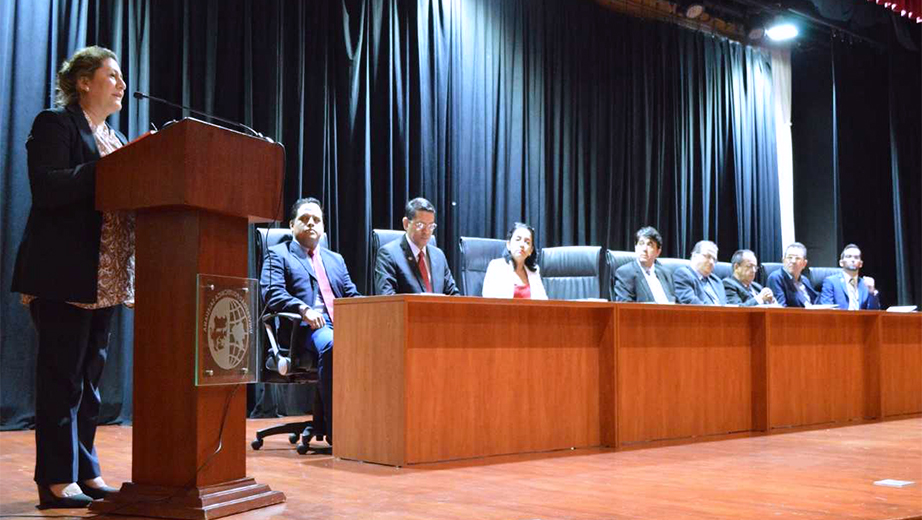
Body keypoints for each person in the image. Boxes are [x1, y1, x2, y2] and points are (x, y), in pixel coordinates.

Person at [10, 46, 130, 509]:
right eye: (112, 76)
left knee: (90, 380)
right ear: (84, 82)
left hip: (105, 278)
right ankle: (56, 480)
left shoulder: (114, 137)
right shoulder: (55, 124)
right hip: (64, 274)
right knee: (62, 378)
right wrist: (108, 170)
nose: (121, 85)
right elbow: (48, 186)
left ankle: (86, 469)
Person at [260, 197, 360, 442]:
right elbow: (272, 293)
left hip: (342, 325)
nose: (311, 224)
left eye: (317, 220)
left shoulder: (335, 259)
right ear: (292, 225)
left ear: (324, 227)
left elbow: (352, 295)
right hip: (304, 330)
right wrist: (303, 309)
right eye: (304, 219)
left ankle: (369, 423)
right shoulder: (279, 254)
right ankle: (338, 429)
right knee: (333, 343)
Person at [374, 197, 460, 295]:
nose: (426, 231)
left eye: (431, 226)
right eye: (420, 225)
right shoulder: (389, 255)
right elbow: (387, 299)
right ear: (406, 224)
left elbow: (454, 295)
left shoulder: (439, 256)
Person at [482, 222, 548, 299]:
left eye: (527, 242)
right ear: (508, 245)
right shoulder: (496, 267)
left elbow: (543, 301)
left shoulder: (534, 271)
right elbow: (488, 299)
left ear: (531, 250)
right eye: (518, 239)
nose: (522, 245)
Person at [612, 226, 675, 303]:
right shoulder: (625, 273)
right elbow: (625, 307)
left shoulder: (666, 274)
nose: (644, 249)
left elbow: (676, 303)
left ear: (658, 252)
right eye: (641, 243)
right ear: (636, 248)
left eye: (650, 244)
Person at [818, 244, 880, 310]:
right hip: (839, 319)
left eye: (856, 257)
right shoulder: (831, 282)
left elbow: (874, 311)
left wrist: (872, 292)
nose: (853, 260)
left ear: (861, 264)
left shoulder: (865, 284)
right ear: (841, 263)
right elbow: (826, 310)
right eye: (848, 257)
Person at [673, 240, 727, 305]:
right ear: (694, 255)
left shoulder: (717, 281)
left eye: (714, 259)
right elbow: (690, 302)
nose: (711, 262)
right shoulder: (683, 275)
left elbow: (725, 305)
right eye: (708, 256)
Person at [767, 242, 818, 307]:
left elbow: (815, 301)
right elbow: (780, 308)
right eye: (790, 257)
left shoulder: (805, 280)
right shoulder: (776, 278)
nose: (793, 261)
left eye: (797, 258)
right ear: (783, 260)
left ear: (804, 264)